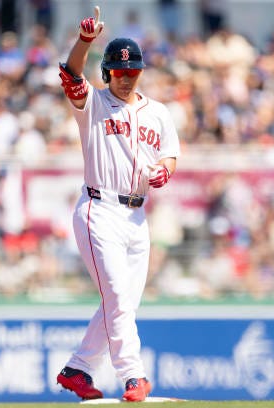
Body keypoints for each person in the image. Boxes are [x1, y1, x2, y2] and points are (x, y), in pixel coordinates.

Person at [55, 6, 180, 402]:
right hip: (99, 209)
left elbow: (170, 155)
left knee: (122, 303)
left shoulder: (158, 112)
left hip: (136, 216)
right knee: (118, 299)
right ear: (108, 72)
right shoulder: (93, 104)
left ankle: (78, 369)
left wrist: (164, 170)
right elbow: (72, 74)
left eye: (133, 72)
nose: (126, 78)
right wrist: (86, 41)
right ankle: (133, 376)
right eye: (119, 72)